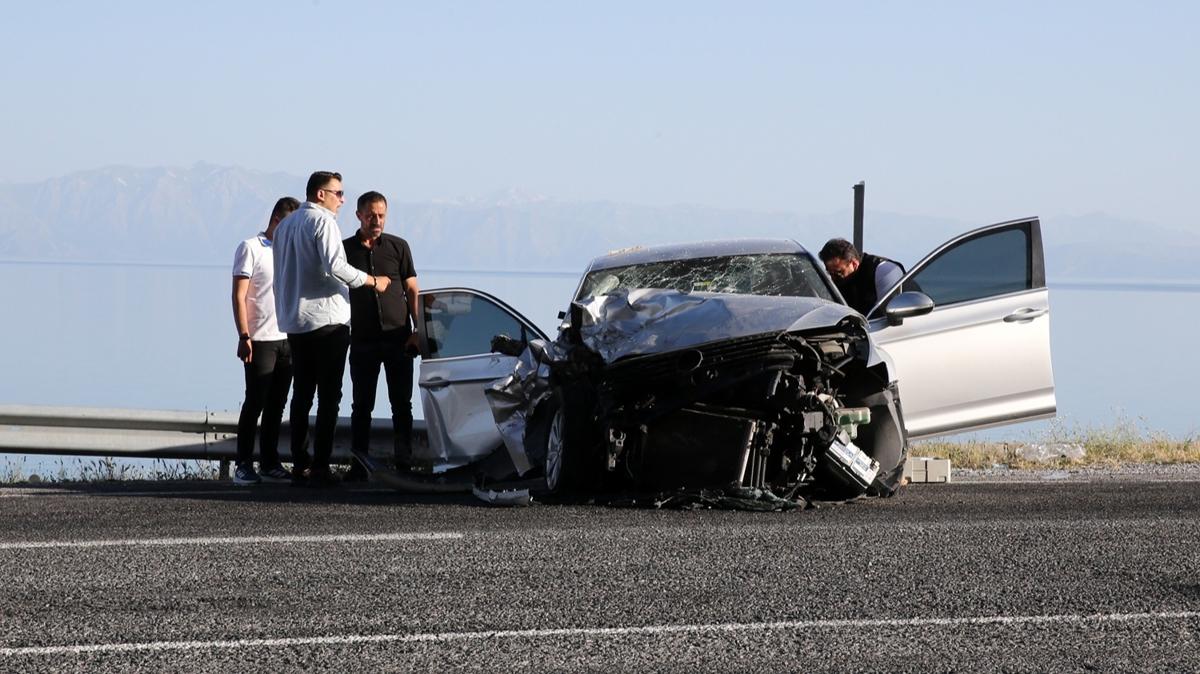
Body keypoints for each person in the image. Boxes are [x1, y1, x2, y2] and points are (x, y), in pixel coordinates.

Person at [273, 171, 391, 487]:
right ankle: (321, 467)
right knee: (329, 396)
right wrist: (371, 281)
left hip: (295, 321)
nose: (342, 199)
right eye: (339, 193)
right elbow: (335, 266)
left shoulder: (285, 225)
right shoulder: (323, 222)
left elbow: (282, 273)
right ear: (321, 194)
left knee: (301, 395)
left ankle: (299, 463)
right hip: (326, 322)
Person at [342, 191, 420, 480]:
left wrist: (417, 331)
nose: (377, 220)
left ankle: (405, 464)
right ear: (359, 215)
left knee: (402, 404)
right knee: (362, 405)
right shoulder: (344, 250)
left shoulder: (399, 247)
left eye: (381, 215)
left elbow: (412, 289)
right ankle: (359, 466)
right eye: (371, 215)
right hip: (363, 340)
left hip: (398, 338)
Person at [231, 197, 300, 485]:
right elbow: (239, 294)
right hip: (259, 339)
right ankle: (243, 464)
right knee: (255, 401)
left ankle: (269, 462)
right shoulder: (251, 248)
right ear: (277, 221)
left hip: (288, 337)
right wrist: (243, 335)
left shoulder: (290, 251)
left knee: (277, 404)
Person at [818, 238, 905, 316]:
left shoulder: (883, 270)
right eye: (830, 273)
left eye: (838, 273)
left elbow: (890, 315)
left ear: (854, 264)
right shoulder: (836, 282)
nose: (833, 278)